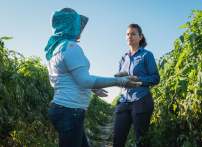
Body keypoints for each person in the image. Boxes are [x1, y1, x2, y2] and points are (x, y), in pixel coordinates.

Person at [45, 8, 142, 147]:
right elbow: (84, 80)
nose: (80, 29)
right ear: (70, 25)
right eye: (78, 25)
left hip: (63, 109)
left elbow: (67, 79)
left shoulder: (55, 49)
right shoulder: (71, 47)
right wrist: (119, 81)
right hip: (70, 112)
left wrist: (92, 88)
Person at [113, 24, 160, 147]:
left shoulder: (146, 55)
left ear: (140, 37)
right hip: (124, 101)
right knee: (117, 139)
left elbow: (155, 78)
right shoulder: (123, 58)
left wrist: (138, 79)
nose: (130, 36)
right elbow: (121, 81)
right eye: (128, 34)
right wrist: (119, 79)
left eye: (133, 34)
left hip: (141, 100)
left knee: (141, 140)